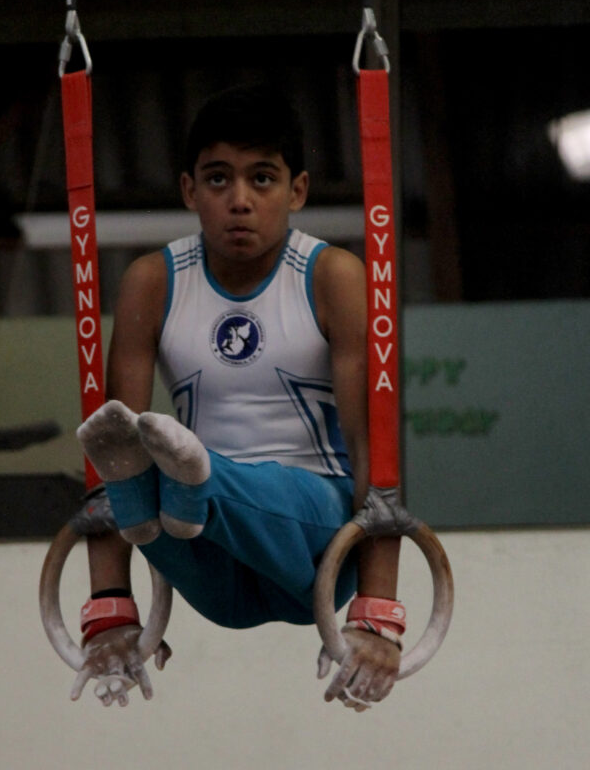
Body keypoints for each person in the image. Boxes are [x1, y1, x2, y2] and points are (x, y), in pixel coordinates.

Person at [71, 82, 403, 711]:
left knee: (175, 478)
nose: (240, 201)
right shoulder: (154, 283)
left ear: (297, 191)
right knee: (132, 477)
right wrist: (110, 606)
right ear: (189, 191)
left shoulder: (332, 277)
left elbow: (372, 450)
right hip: (209, 560)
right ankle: (181, 486)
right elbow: (107, 456)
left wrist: (377, 608)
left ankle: (196, 478)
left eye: (263, 179)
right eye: (218, 180)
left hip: (317, 538)